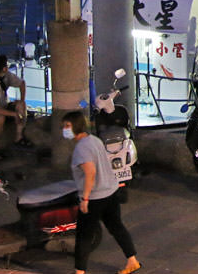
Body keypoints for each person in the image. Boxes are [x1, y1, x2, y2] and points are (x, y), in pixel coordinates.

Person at [63, 111, 140, 274]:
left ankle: (79, 272)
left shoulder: (81, 148)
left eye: (67, 126)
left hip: (95, 197)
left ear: (76, 126)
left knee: (84, 235)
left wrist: (85, 199)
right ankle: (132, 260)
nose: (65, 129)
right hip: (110, 191)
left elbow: (90, 173)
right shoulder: (94, 140)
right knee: (116, 227)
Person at [0, 55, 31, 159]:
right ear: (4, 68)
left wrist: (21, 100)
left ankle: (19, 137)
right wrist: (14, 114)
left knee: (21, 105)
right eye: (6, 64)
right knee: (0, 117)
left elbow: (22, 83)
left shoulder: (7, 75)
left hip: (4, 105)